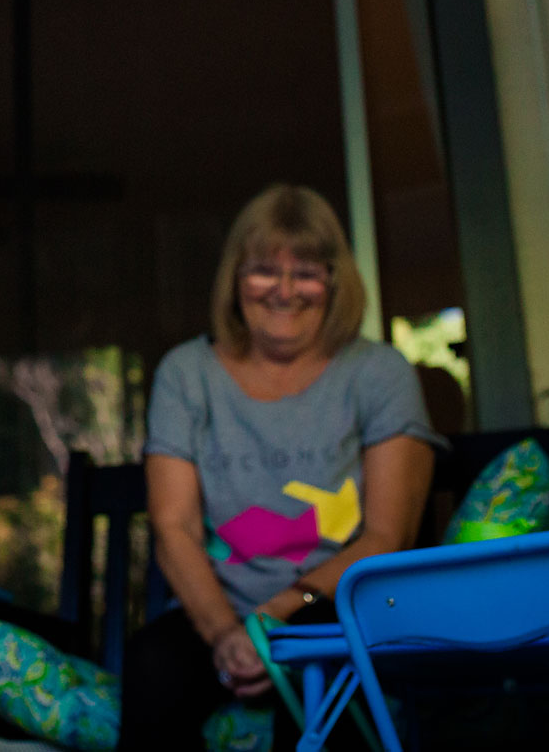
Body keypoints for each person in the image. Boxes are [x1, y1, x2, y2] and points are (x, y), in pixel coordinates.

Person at [124, 184, 443, 748]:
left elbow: (387, 536)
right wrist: (226, 632)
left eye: (308, 272)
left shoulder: (379, 372)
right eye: (265, 270)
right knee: (152, 662)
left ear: (334, 281)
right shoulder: (186, 373)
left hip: (334, 605)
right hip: (216, 614)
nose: (285, 290)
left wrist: (273, 617)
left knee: (322, 662)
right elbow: (173, 526)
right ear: (235, 279)